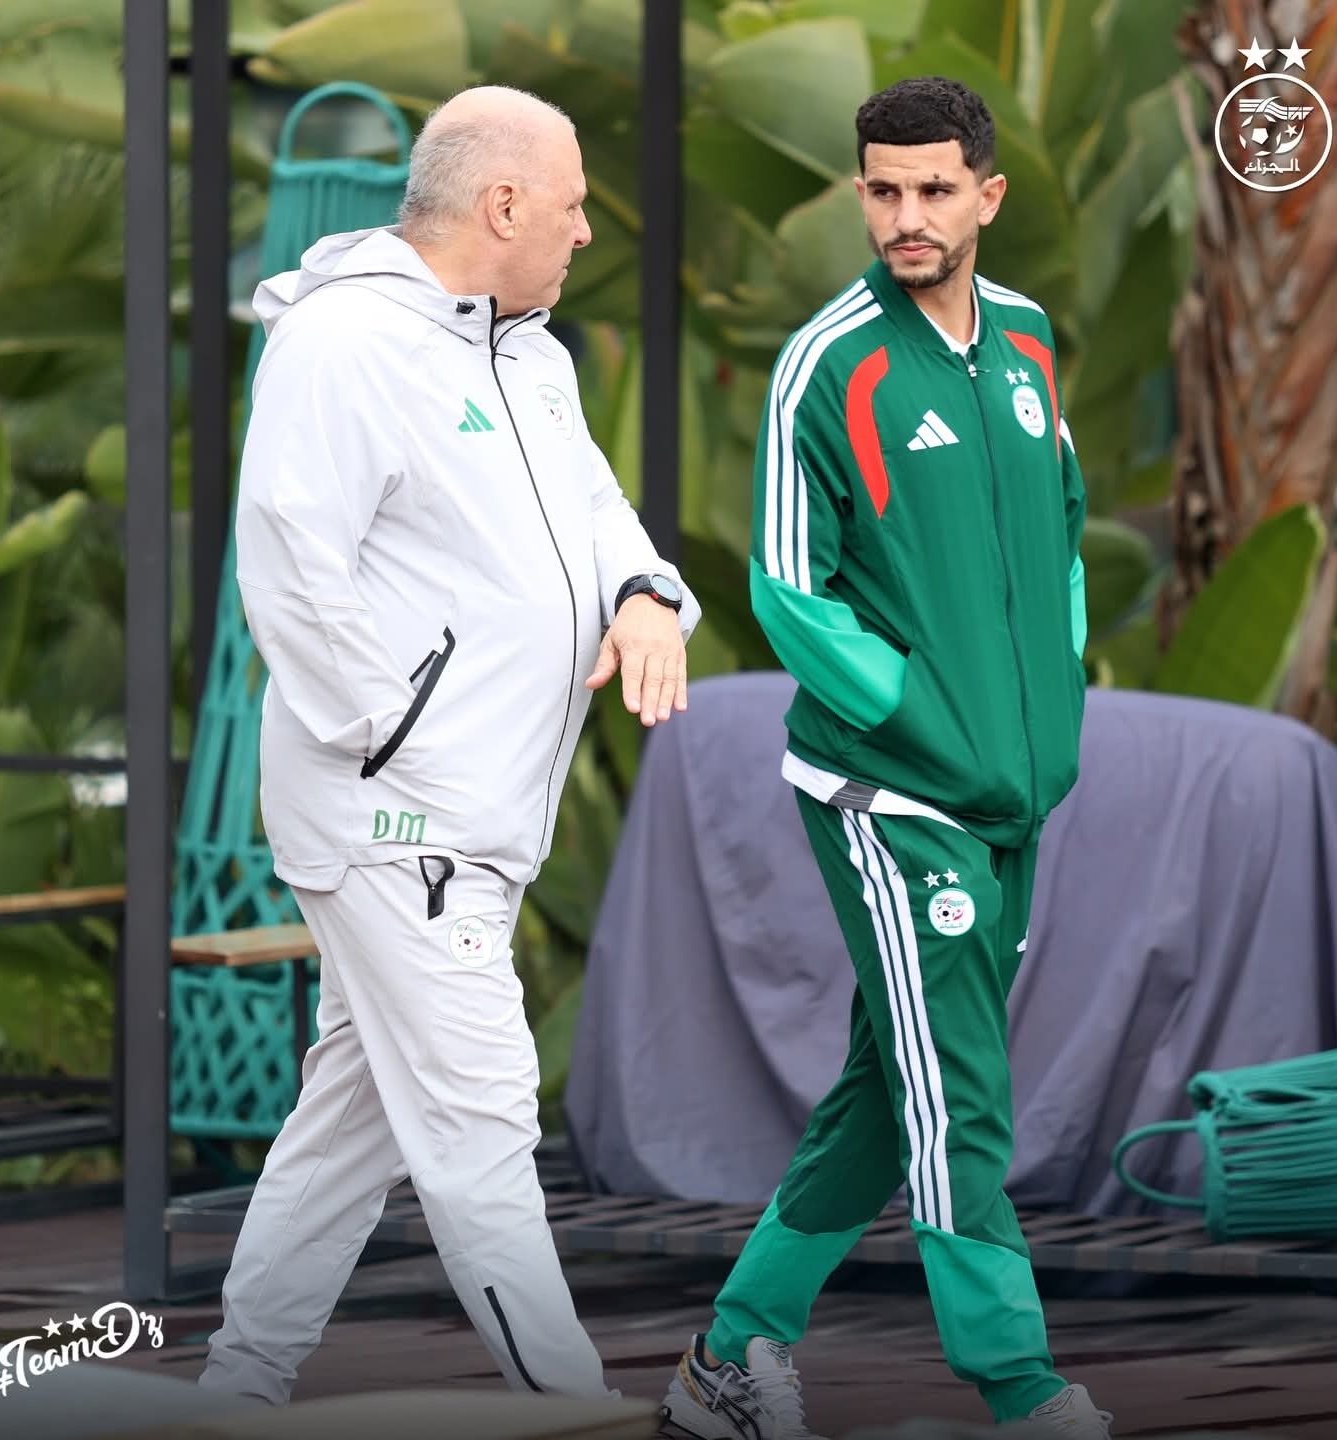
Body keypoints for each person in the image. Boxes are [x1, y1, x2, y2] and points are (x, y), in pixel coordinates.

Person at [198, 84, 699, 1405]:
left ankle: (235, 1394)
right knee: (480, 1118)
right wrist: (396, 742)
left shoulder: (533, 357)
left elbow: (597, 509)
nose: (585, 231)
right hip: (400, 819)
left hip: (468, 817)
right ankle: (578, 1413)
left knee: (352, 1121)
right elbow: (290, 564)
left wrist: (647, 595)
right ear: (504, 204)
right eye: (573, 206)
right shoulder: (345, 343)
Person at [658, 78, 1110, 1440]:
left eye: (933, 190)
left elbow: (1064, 538)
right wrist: (933, 719)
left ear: (987, 196)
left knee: (891, 1082)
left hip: (1015, 792)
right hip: (891, 791)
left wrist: (1051, 708)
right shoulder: (828, 363)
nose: (907, 216)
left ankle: (728, 1358)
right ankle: (1021, 1386)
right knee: (957, 1085)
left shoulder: (1026, 343)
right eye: (884, 189)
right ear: (862, 192)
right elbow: (792, 594)